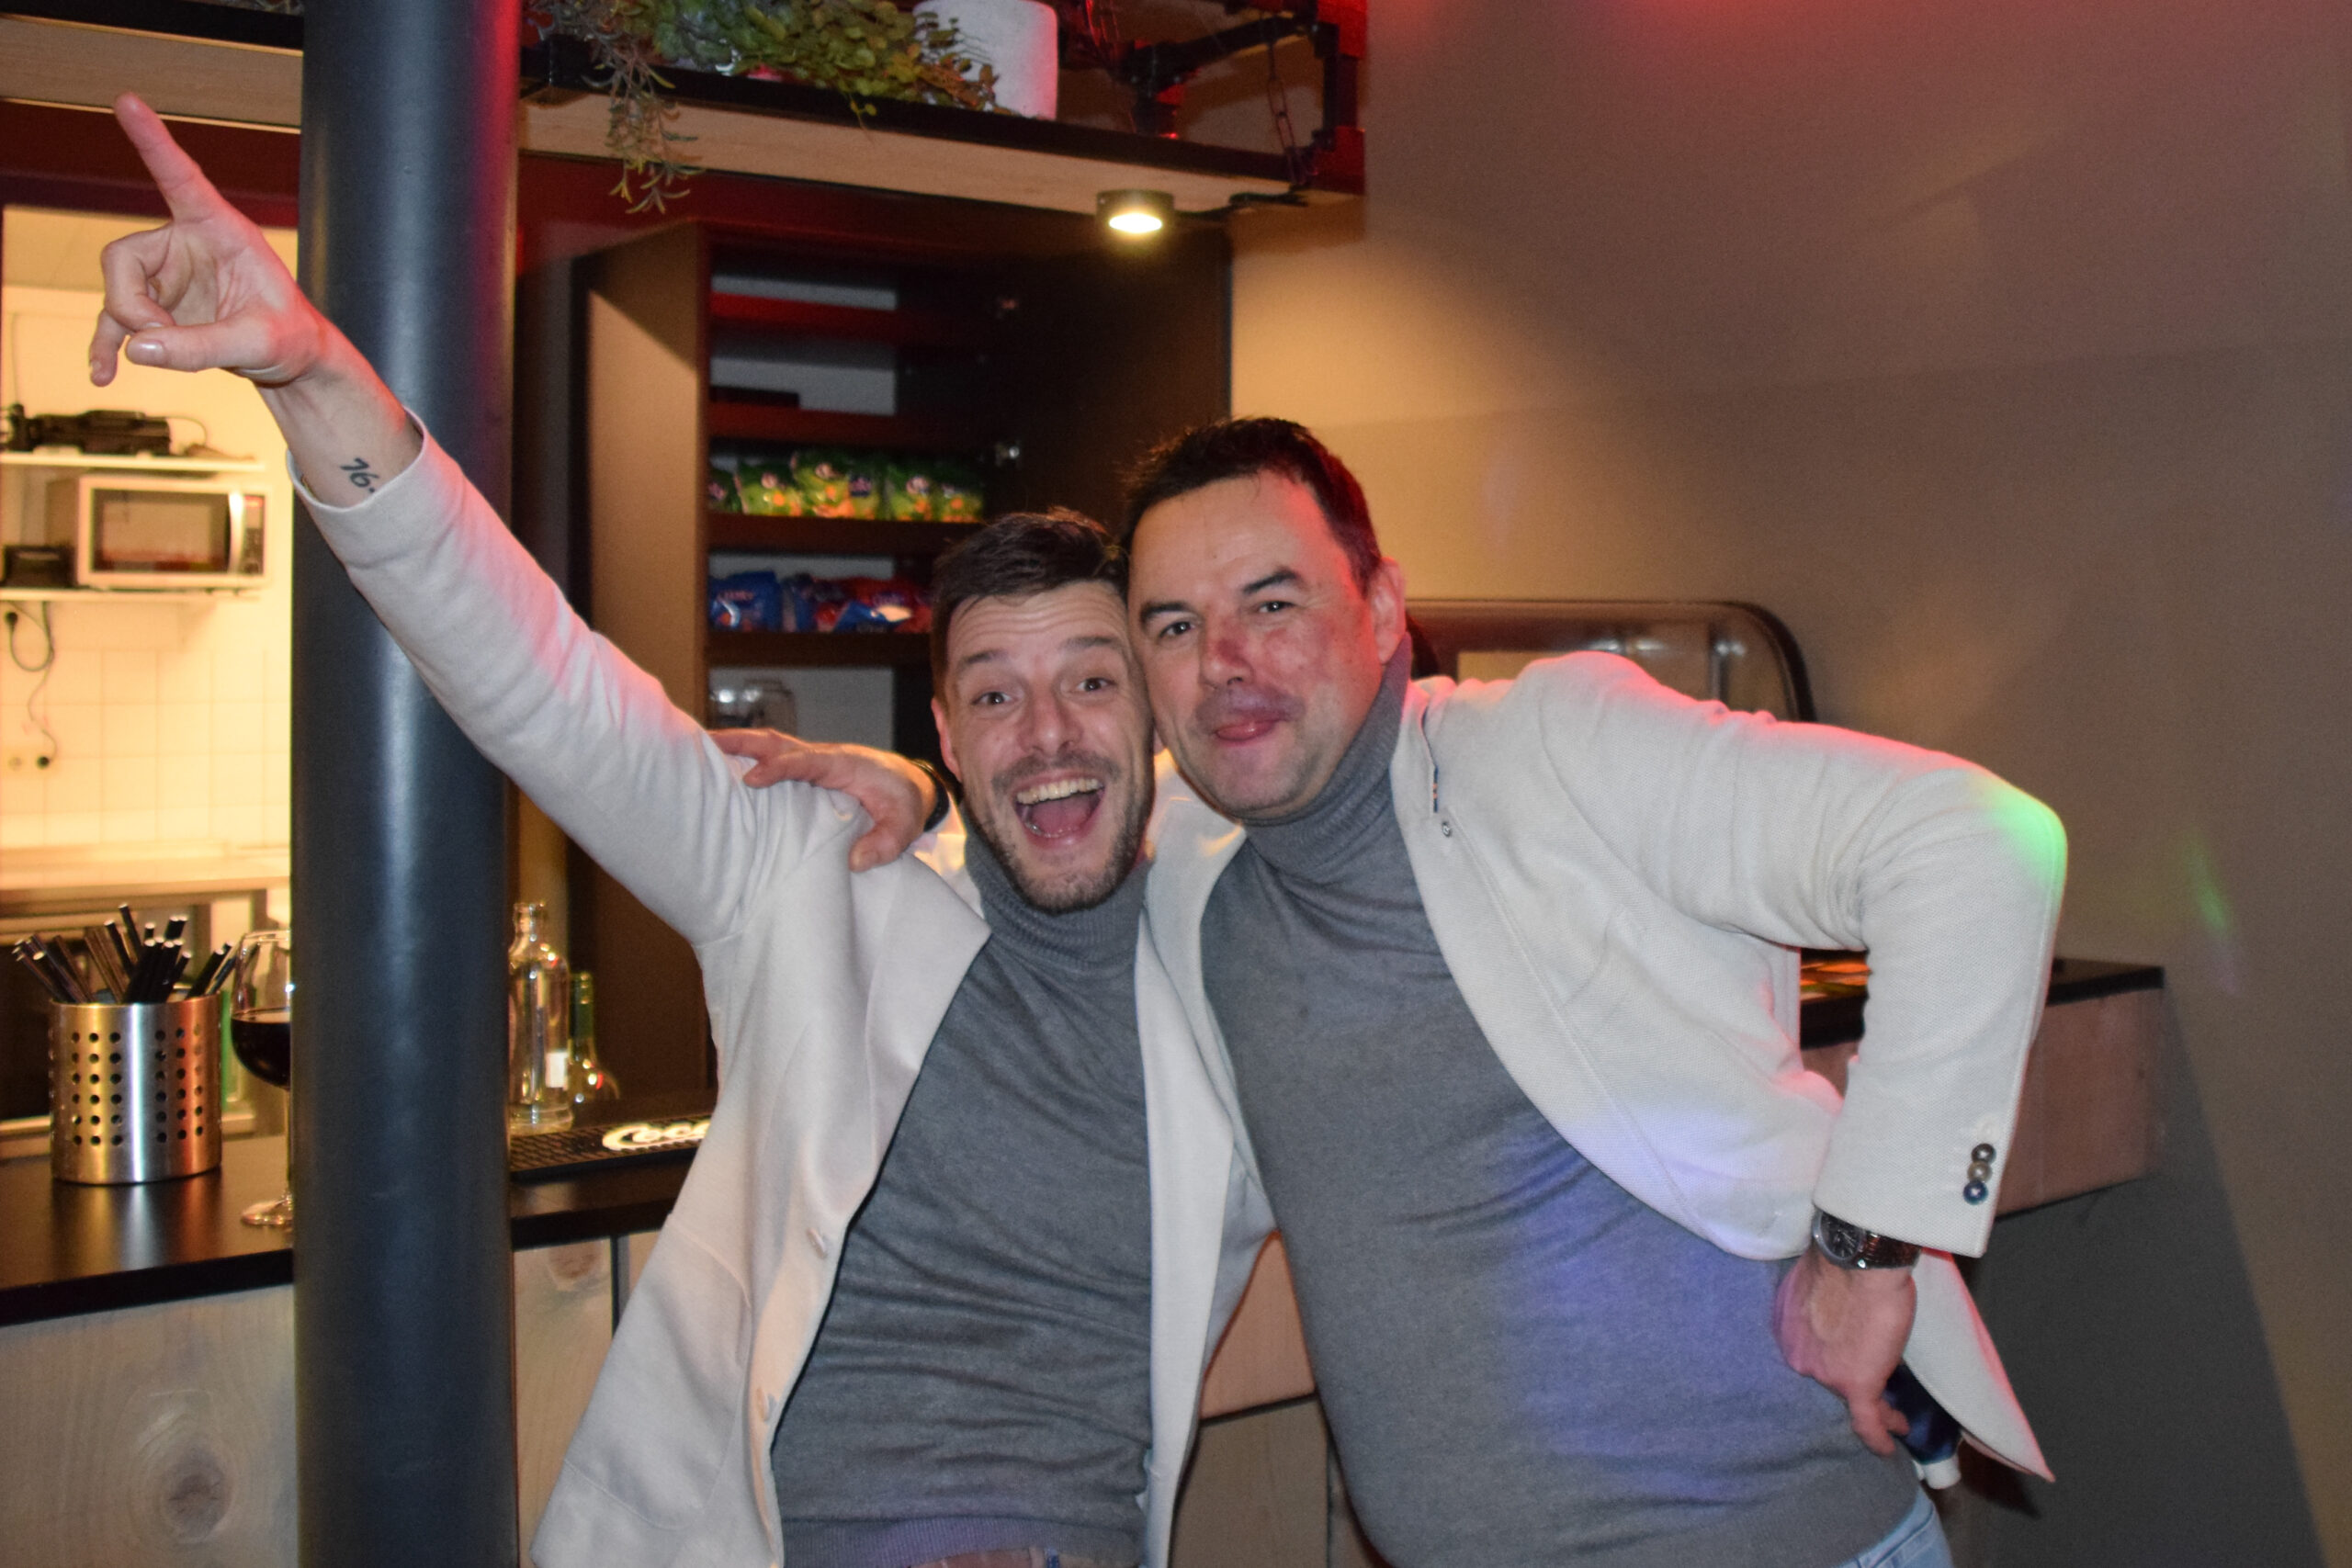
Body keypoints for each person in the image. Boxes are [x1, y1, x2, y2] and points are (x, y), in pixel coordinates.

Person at [87, 96, 1271, 1568]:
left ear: (1152, 701)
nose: (1046, 733)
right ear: (948, 729)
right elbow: (539, 680)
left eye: (1091, 682)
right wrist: (311, 370)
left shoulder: (1246, 956)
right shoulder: (814, 882)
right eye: (993, 696)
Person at [1111, 418, 2067, 1567]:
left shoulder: (1547, 746)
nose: (1224, 660)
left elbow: (1975, 844)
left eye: (1272, 603)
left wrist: (1868, 1248)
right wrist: (914, 790)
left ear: (1381, 608)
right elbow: (998, 842)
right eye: (1174, 625)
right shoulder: (1187, 862)